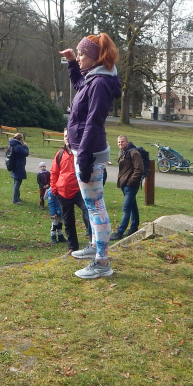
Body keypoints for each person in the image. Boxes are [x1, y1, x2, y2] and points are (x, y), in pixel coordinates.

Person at [59, 33, 123, 279]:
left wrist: (84, 158)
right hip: (84, 150)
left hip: (90, 153)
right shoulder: (93, 78)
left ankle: (102, 262)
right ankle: (96, 246)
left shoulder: (100, 84)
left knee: (96, 207)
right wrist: (72, 62)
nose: (79, 57)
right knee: (92, 205)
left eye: (82, 54)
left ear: (96, 58)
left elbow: (93, 123)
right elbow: (79, 86)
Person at [50, 129, 92, 252]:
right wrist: (54, 189)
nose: (67, 138)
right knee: (68, 222)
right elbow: (54, 172)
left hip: (79, 191)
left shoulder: (80, 152)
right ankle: (73, 248)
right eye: (65, 136)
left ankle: (93, 244)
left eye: (69, 135)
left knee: (88, 212)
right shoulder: (60, 154)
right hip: (62, 192)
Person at [111, 135, 144, 241]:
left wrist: (130, 181)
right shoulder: (121, 152)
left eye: (122, 142)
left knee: (126, 208)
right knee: (133, 206)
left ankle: (119, 232)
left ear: (127, 142)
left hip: (131, 185)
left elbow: (139, 169)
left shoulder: (134, 153)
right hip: (124, 184)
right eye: (119, 142)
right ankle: (134, 228)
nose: (120, 144)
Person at [8, 133, 29, 204]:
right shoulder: (18, 146)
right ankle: (15, 199)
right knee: (17, 183)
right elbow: (26, 153)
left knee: (16, 182)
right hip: (18, 166)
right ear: (20, 138)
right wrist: (25, 146)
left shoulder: (12, 144)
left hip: (14, 165)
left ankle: (17, 197)